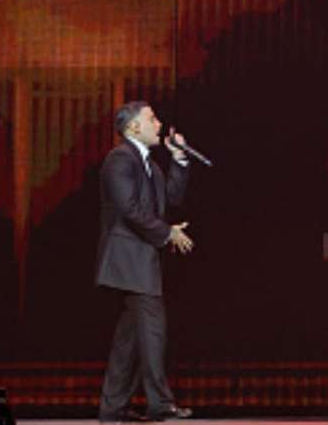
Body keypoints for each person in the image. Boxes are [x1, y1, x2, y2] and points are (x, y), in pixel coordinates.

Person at [96, 101, 194, 422]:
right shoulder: (120, 159)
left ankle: (113, 408)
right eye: (152, 118)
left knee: (129, 339)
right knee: (153, 330)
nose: (159, 124)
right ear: (134, 127)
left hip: (142, 258)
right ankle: (160, 403)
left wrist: (179, 159)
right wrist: (167, 233)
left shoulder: (149, 164)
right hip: (129, 258)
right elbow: (130, 209)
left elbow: (171, 199)